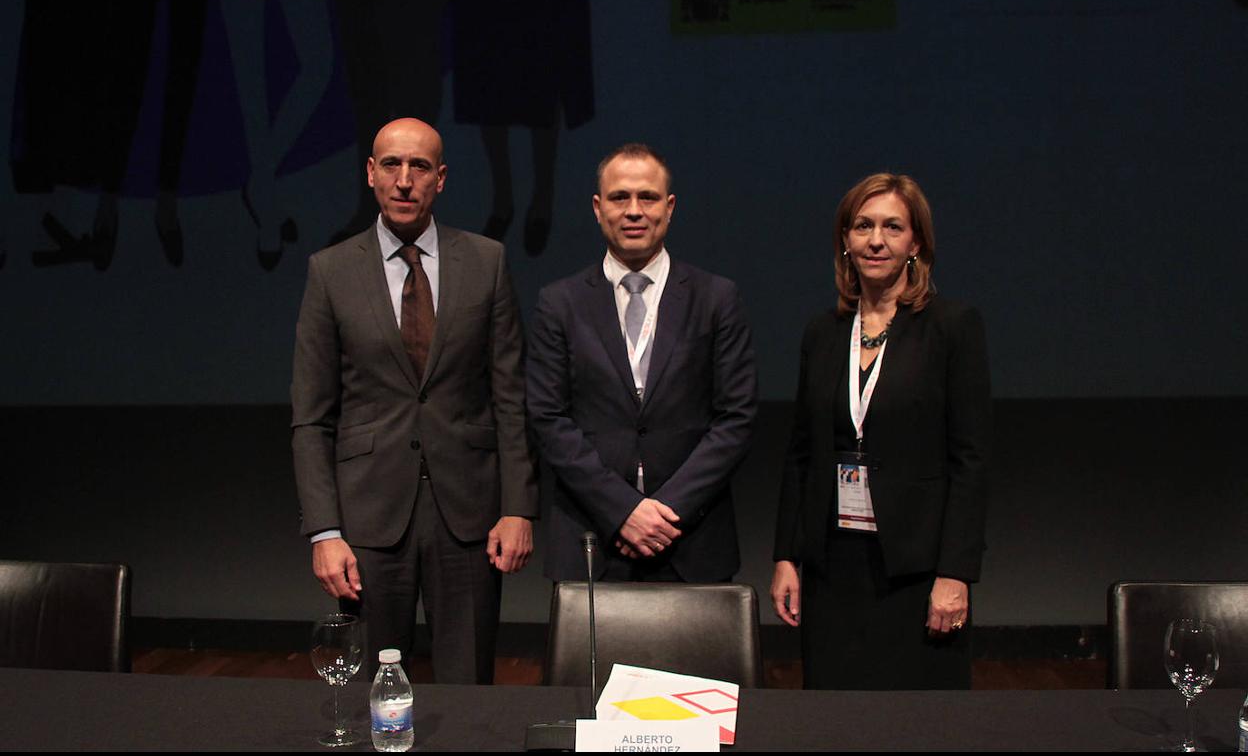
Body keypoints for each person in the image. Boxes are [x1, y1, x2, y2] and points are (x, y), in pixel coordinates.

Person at [291, 118, 537, 682]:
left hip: (469, 514)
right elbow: (311, 418)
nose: (405, 180)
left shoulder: (486, 261)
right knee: (370, 688)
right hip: (368, 518)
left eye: (420, 166)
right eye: (392, 165)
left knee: (471, 686)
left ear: (441, 178)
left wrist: (518, 505)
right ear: (371, 173)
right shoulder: (330, 272)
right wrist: (325, 532)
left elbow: (509, 396)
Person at [770, 173, 990, 690]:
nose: (876, 240)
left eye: (893, 227)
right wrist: (786, 555)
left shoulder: (952, 326)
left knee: (919, 724)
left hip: (916, 569)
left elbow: (971, 459)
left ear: (916, 243)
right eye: (863, 226)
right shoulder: (823, 333)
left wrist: (956, 574)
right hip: (832, 568)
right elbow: (801, 453)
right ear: (845, 240)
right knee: (836, 719)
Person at [527, 143, 757, 582]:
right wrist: (623, 509)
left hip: (690, 539)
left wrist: (664, 513)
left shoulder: (716, 298)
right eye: (619, 197)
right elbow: (547, 418)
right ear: (598, 208)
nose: (634, 210)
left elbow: (737, 419)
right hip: (593, 539)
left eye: (647, 197)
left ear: (669, 208)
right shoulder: (559, 303)